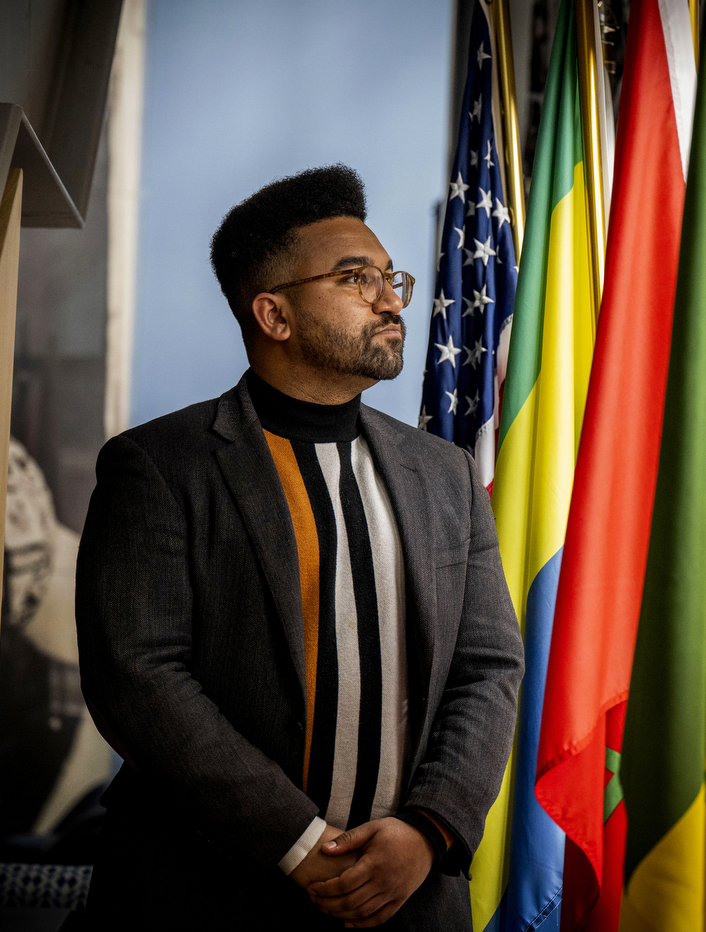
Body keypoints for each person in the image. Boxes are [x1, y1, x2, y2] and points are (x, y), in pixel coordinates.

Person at [75, 165, 522, 929]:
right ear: (274, 315)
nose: (390, 301)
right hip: (209, 892)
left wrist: (429, 830)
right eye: (356, 279)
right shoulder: (159, 465)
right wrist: (302, 846)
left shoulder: (444, 474)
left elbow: (488, 667)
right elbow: (139, 677)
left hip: (411, 899)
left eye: (390, 278)